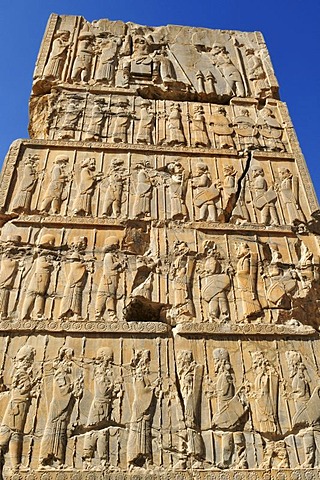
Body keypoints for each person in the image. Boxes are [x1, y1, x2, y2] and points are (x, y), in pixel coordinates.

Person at [39, 346, 82, 468]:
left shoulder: (65, 374)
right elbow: (62, 389)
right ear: (64, 357)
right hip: (58, 406)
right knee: (52, 431)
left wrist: (75, 388)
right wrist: (72, 388)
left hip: (63, 409)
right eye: (70, 357)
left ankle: (58, 460)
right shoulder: (59, 373)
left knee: (61, 431)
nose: (71, 361)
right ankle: (44, 458)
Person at [0, 345, 36, 473]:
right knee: (9, 432)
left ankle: (15, 465)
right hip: (17, 406)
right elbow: (23, 389)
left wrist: (32, 393)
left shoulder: (22, 372)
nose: (30, 362)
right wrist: (34, 382)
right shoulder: (21, 373)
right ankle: (14, 465)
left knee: (15, 434)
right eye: (30, 360)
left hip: (21, 405)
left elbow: (22, 390)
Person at [127, 350, 158, 470]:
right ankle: (133, 461)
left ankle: (146, 459)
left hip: (145, 409)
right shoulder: (139, 375)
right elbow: (142, 392)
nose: (148, 364)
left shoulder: (143, 375)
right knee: (137, 433)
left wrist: (153, 388)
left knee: (145, 433)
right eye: (146, 362)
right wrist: (153, 387)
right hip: (141, 408)